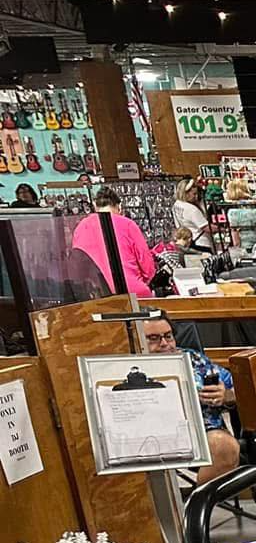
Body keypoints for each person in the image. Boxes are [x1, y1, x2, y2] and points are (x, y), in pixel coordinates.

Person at [141, 312, 238, 479]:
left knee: (224, 446)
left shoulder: (193, 359)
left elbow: (239, 388)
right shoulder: (128, 367)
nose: (165, 344)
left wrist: (226, 395)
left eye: (168, 336)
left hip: (203, 433)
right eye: (153, 338)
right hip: (148, 434)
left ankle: (198, 503)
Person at [71, 186, 160, 297]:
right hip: (132, 292)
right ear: (120, 207)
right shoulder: (128, 224)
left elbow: (78, 265)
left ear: (95, 206)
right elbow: (147, 266)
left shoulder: (81, 227)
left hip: (97, 294)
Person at [172, 180, 211, 248]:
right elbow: (206, 227)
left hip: (186, 241)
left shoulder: (176, 204)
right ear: (186, 193)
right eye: (194, 194)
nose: (196, 196)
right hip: (201, 242)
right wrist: (223, 229)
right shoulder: (191, 209)